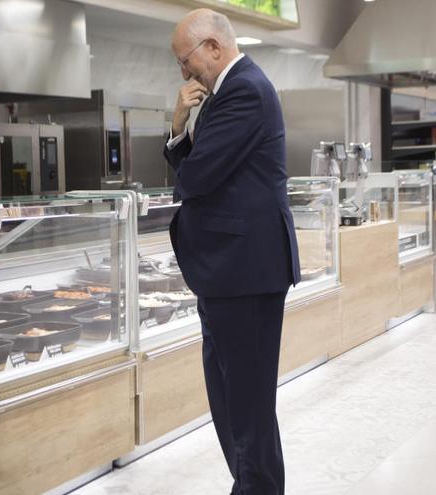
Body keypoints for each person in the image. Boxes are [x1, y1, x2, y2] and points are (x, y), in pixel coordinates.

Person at [164, 8, 301, 495]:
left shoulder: (243, 89)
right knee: (231, 400)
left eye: (187, 61)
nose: (185, 73)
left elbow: (196, 178)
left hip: (244, 273)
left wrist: (178, 125)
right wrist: (184, 136)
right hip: (228, 275)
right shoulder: (233, 90)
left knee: (246, 404)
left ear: (214, 48)